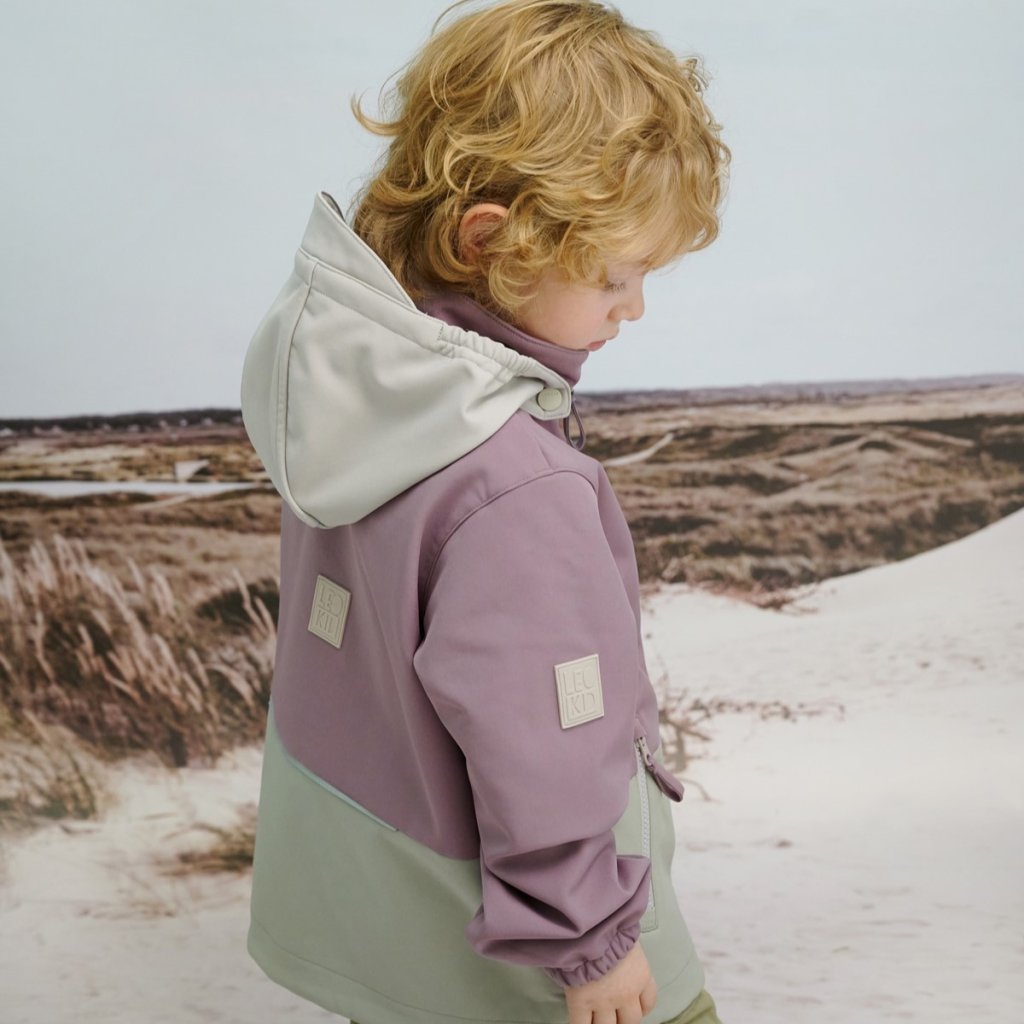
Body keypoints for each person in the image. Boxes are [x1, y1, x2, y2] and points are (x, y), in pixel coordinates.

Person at [239, 2, 730, 1022]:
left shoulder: (354, 406)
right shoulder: (516, 485)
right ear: (491, 240)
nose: (634, 306)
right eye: (616, 274)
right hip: (536, 949)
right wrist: (592, 940)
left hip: (383, 919)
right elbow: (544, 730)